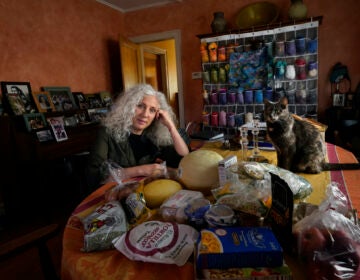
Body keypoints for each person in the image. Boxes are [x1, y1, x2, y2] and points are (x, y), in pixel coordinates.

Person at [85, 84, 189, 197]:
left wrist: (171, 126)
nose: (145, 114)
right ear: (128, 107)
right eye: (140, 106)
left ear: (157, 115)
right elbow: (94, 177)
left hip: (143, 195)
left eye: (152, 110)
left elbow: (183, 158)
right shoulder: (106, 132)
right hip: (112, 196)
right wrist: (140, 170)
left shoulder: (153, 134)